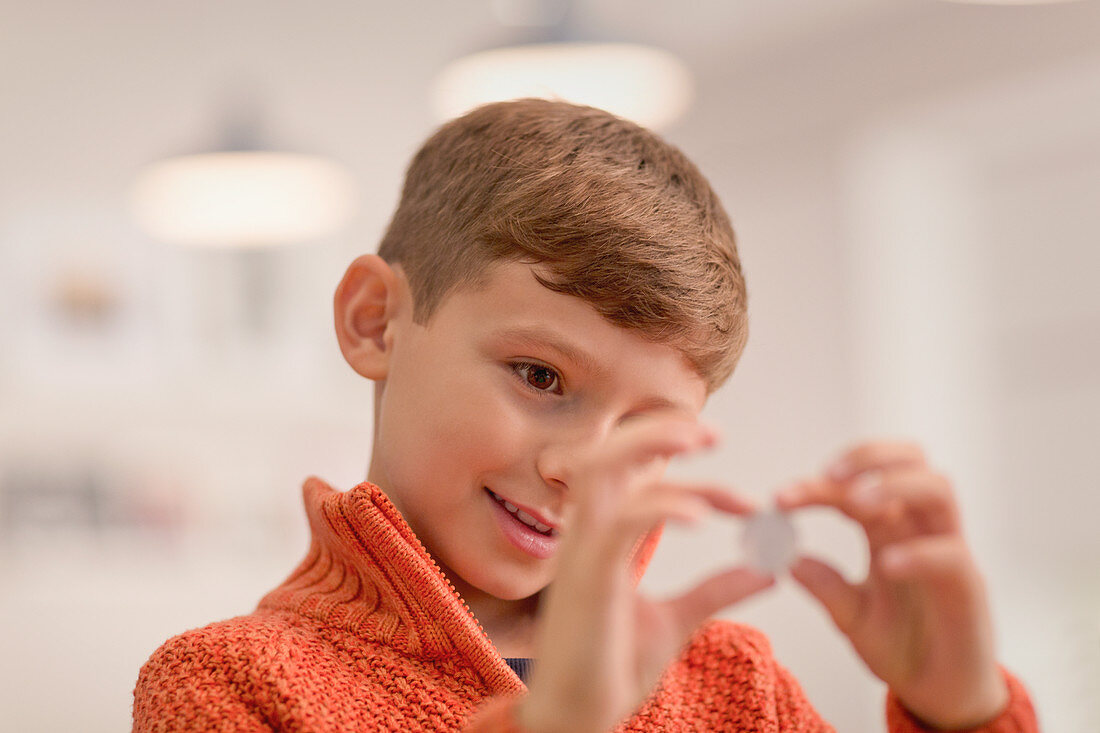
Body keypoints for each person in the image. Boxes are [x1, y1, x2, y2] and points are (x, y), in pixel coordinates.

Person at [132, 99, 1039, 732]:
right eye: (540, 375)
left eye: (648, 431)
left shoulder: (736, 684)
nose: (582, 467)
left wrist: (962, 712)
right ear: (376, 322)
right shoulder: (228, 684)